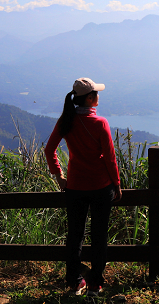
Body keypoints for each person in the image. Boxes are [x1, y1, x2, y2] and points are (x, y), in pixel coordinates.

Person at [44, 77, 122, 296]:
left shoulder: (66, 121)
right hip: (101, 187)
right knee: (99, 236)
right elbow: (110, 158)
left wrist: (59, 176)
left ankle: (75, 281)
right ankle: (95, 285)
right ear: (89, 98)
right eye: (96, 93)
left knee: (75, 236)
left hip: (75, 187)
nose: (98, 96)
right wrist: (117, 184)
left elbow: (49, 150)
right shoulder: (100, 123)